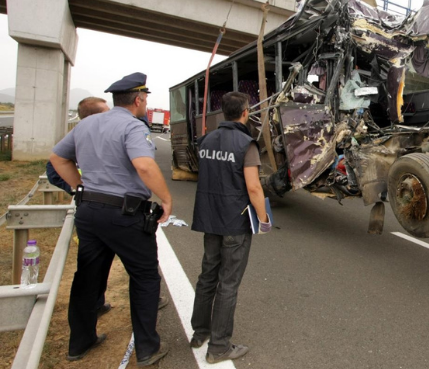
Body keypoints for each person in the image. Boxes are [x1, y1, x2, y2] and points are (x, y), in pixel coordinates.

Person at [48, 73, 171, 365]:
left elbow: (57, 158)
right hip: (125, 214)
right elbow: (143, 165)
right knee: (144, 277)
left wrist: (80, 186)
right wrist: (166, 198)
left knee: (87, 277)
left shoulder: (87, 123)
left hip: (89, 212)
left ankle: (80, 343)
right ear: (139, 99)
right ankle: (146, 348)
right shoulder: (132, 126)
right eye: (146, 98)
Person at [189, 91, 268, 364]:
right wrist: (264, 219)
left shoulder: (206, 140)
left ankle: (200, 332)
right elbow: (254, 187)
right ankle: (220, 346)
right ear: (245, 112)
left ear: (223, 112)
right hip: (235, 222)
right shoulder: (247, 144)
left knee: (207, 275)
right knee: (228, 283)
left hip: (209, 219)